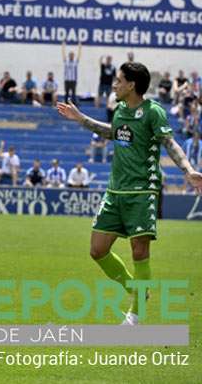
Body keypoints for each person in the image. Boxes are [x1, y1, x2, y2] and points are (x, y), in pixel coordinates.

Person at [57, 61, 202, 325]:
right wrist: (81, 119)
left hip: (143, 189)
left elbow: (169, 143)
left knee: (138, 250)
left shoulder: (153, 112)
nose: (114, 85)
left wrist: (188, 170)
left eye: (119, 81)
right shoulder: (121, 110)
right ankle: (137, 289)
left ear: (132, 85)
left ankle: (136, 315)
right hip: (116, 191)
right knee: (97, 250)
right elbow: (113, 133)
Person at [61, 40, 81, 104]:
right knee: (66, 92)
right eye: (70, 55)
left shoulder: (75, 62)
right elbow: (63, 54)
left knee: (73, 93)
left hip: (73, 80)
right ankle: (66, 103)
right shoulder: (66, 62)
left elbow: (79, 55)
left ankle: (73, 103)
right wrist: (63, 46)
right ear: (69, 56)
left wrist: (80, 47)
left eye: (72, 55)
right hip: (67, 80)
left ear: (73, 56)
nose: (71, 56)